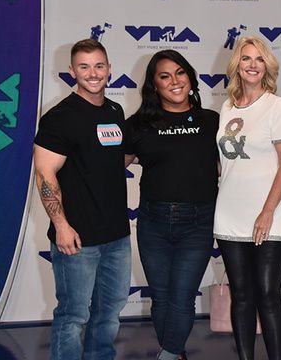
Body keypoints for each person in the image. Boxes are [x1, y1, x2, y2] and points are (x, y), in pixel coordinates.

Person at [33, 39, 131, 359]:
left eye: (99, 66)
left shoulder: (115, 111)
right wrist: (61, 225)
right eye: (85, 67)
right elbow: (45, 175)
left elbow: (113, 161)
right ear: (72, 71)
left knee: (109, 314)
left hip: (116, 235)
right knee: (73, 316)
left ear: (109, 69)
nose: (93, 73)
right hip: (76, 238)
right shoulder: (59, 118)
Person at [124, 50, 219, 360]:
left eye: (180, 73)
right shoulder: (138, 124)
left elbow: (234, 167)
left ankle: (167, 354)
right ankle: (174, 353)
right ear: (154, 85)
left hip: (198, 222)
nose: (174, 81)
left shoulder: (212, 121)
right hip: (153, 222)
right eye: (165, 76)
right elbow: (110, 170)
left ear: (190, 78)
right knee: (162, 299)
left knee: (181, 299)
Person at [214, 36, 281, 360]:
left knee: (267, 295)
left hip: (270, 216)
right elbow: (226, 160)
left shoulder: (277, 106)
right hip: (230, 214)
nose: (252, 64)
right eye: (246, 58)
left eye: (259, 59)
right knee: (242, 295)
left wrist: (267, 212)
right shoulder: (227, 106)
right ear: (237, 65)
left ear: (267, 66)